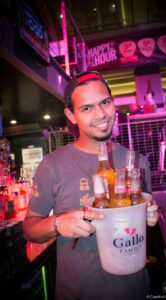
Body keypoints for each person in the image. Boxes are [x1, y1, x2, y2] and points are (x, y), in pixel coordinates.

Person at [23, 71, 159, 300]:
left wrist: (150, 216)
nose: (100, 114)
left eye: (105, 102)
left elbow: (141, 220)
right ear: (71, 115)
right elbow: (29, 229)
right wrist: (58, 223)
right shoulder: (52, 165)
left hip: (136, 290)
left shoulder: (137, 162)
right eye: (87, 108)